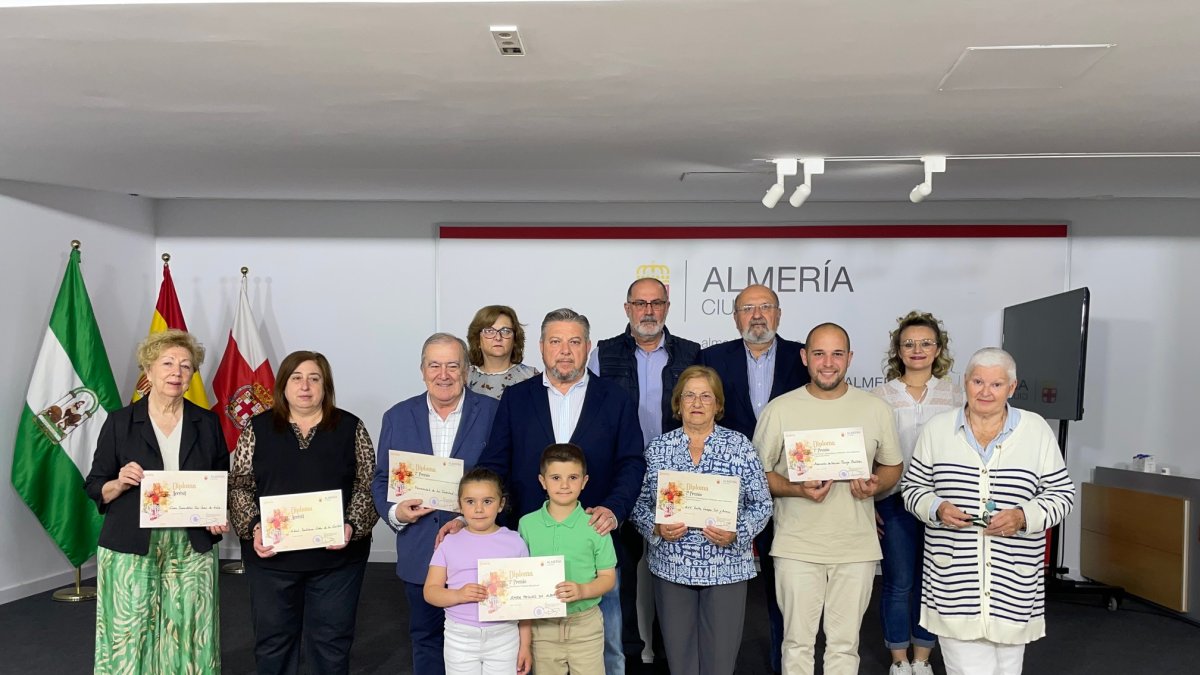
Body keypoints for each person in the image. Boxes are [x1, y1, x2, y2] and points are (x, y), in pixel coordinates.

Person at [470, 307, 645, 675]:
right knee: (535, 648)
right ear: (541, 347)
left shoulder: (615, 398)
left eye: (574, 341)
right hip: (530, 543)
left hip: (595, 542)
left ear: (588, 347)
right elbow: (496, 463)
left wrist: (613, 509)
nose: (564, 351)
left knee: (610, 646)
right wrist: (479, 518)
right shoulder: (517, 399)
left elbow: (631, 461)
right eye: (555, 341)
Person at [902, 348, 1075, 675]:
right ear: (965, 383)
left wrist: (1023, 516)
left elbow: (1062, 494)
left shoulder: (1035, 430)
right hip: (955, 584)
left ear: (1012, 388)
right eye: (978, 381)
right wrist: (937, 508)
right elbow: (913, 490)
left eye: (996, 384)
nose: (985, 391)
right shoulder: (938, 430)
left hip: (1014, 583)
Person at [753, 322, 903, 675]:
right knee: (797, 644)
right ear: (805, 357)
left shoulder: (875, 409)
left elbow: (893, 467)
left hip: (856, 548)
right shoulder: (780, 409)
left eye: (837, 354)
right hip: (796, 547)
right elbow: (757, 475)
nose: (828, 362)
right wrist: (795, 487)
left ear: (850, 358)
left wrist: (876, 484)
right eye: (819, 353)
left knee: (844, 647)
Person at [85, 329, 229, 675]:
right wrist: (119, 482)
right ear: (148, 371)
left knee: (190, 630)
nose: (176, 372)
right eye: (167, 363)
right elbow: (95, 485)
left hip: (191, 543)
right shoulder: (120, 421)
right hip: (130, 544)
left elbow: (220, 479)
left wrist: (216, 512)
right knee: (130, 629)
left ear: (193, 374)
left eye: (185, 365)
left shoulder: (207, 422)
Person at [229, 351, 378, 675]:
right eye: (296, 378)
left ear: (326, 386)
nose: (305, 386)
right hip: (272, 558)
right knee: (273, 642)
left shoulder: (351, 427)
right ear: (283, 385)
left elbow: (368, 485)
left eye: (314, 378)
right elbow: (239, 486)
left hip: (337, 559)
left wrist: (352, 525)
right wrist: (254, 527)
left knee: (332, 641)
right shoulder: (257, 428)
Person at [372, 333, 500, 675]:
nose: (443, 374)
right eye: (435, 365)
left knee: (485, 639)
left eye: (453, 365)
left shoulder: (493, 413)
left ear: (467, 370)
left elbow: (506, 478)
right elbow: (382, 479)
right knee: (426, 638)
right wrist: (395, 512)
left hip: (478, 550)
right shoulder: (397, 416)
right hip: (420, 550)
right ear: (422, 369)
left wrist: (467, 518)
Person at [631, 365, 772, 674]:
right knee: (680, 662)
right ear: (678, 403)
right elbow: (638, 505)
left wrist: (737, 532)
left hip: (726, 567)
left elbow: (762, 504)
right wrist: (655, 527)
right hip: (672, 567)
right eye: (689, 395)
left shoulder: (739, 447)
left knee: (719, 664)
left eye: (706, 396)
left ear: (718, 405)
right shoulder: (658, 449)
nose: (696, 403)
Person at [589, 276, 701, 665]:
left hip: (675, 477)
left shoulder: (692, 352)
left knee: (672, 569)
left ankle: (673, 655)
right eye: (640, 303)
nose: (648, 311)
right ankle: (631, 655)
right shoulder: (601, 354)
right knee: (622, 568)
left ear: (667, 308)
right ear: (627, 309)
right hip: (621, 473)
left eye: (656, 303)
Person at [698, 283, 809, 674]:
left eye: (765, 307)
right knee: (719, 579)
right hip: (724, 490)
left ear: (778, 314)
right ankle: (717, 660)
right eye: (748, 308)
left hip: (790, 486)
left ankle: (784, 662)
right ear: (735, 317)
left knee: (786, 584)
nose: (757, 315)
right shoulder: (711, 357)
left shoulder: (804, 357)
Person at [870, 311, 965, 675]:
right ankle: (899, 660)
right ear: (898, 349)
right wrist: (869, 503)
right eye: (909, 343)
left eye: (925, 343)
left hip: (942, 503)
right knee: (898, 582)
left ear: (938, 348)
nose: (917, 350)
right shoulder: (879, 396)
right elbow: (867, 454)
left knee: (933, 583)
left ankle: (922, 659)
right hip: (893, 500)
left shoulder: (957, 394)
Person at [518, 444, 618, 675]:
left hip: (585, 626)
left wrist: (582, 590)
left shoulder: (595, 524)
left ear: (584, 481)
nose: (564, 485)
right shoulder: (527, 524)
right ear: (542, 481)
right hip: (542, 628)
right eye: (555, 477)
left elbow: (607, 577)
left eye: (573, 477)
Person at [425, 467, 532, 675]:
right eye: (470, 501)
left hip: (504, 635)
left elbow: (525, 603)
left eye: (487, 501)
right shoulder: (449, 543)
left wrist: (525, 646)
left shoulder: (515, 542)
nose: (479, 509)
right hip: (459, 636)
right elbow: (430, 591)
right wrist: (458, 594)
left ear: (501, 504)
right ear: (460, 505)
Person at [466, 304, 539, 399]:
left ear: (515, 339)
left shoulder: (531, 376)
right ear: (477, 339)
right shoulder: (464, 377)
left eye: (505, 331)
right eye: (489, 331)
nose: (498, 337)